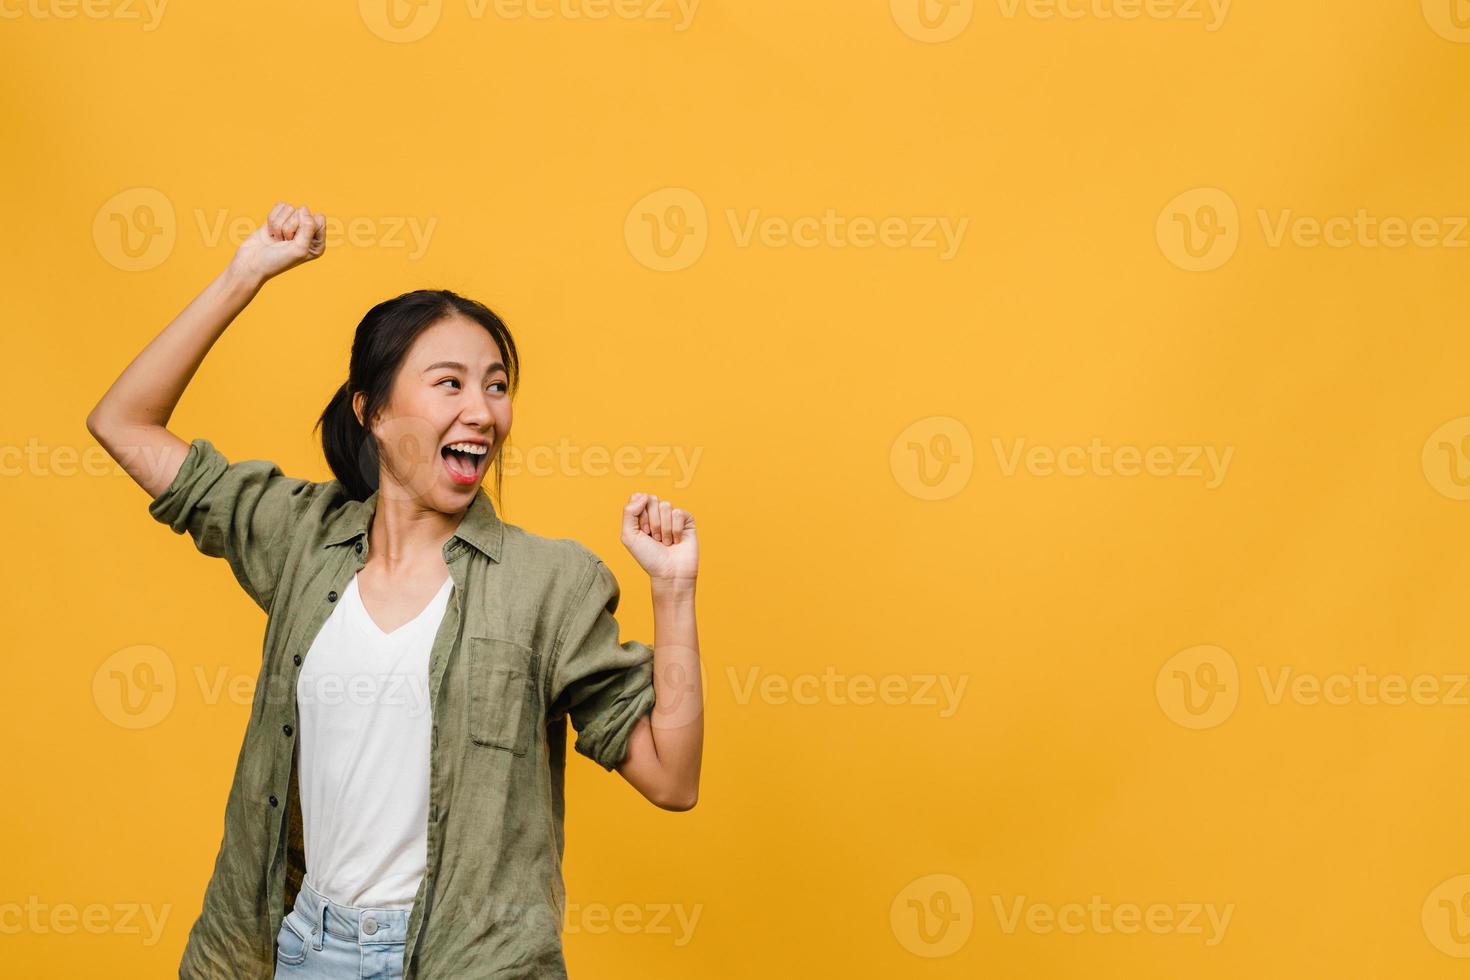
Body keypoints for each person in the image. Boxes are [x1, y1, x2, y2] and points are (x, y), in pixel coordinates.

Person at [85, 202, 704, 979]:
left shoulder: (549, 584)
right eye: (450, 383)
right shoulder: (300, 539)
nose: (482, 411)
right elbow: (124, 423)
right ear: (372, 411)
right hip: (297, 951)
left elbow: (672, 779)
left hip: (465, 963)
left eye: (497, 385)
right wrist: (245, 274)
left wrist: (673, 592)